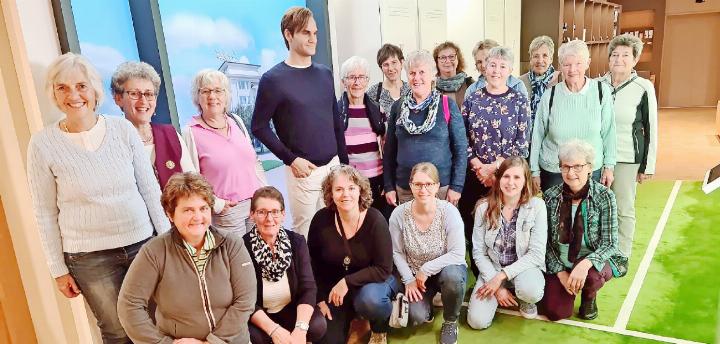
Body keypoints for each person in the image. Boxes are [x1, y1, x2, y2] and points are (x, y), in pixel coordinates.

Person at [26, 53, 169, 344]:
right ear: (53, 94)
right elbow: (44, 212)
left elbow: (150, 189)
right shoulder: (42, 144)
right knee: (118, 333)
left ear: (94, 90)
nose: (74, 95)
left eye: (81, 86)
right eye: (62, 88)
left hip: (143, 244)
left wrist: (169, 243)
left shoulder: (122, 130)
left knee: (158, 325)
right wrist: (57, 269)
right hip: (90, 259)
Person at [118, 172, 256, 343]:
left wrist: (212, 342)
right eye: (188, 210)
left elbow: (245, 301)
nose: (198, 217)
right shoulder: (154, 252)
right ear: (170, 214)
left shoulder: (232, 244)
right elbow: (129, 306)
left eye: (203, 208)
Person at [252, 6, 348, 238]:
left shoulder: (324, 74)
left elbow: (335, 122)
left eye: (315, 33)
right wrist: (291, 159)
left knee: (337, 230)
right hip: (304, 173)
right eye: (306, 33)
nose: (313, 39)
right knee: (305, 235)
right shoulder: (273, 80)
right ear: (288, 34)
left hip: (334, 167)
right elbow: (259, 126)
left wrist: (344, 166)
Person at [459, 46, 531, 277]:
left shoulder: (519, 99)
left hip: (507, 175)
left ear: (510, 70)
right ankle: (478, 267)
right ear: (483, 67)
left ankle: (505, 268)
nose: (496, 70)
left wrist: (495, 168)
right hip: (475, 173)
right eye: (492, 65)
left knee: (502, 221)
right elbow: (462, 135)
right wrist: (478, 165)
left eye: (502, 66)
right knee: (474, 221)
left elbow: (522, 143)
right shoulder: (472, 98)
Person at [307, 165, 394, 344]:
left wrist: (347, 281)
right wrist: (320, 298)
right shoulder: (320, 220)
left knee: (370, 301)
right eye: (338, 189)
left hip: (371, 285)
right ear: (330, 193)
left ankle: (379, 328)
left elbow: (384, 269)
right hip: (335, 293)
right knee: (327, 339)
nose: (345, 194)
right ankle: (353, 317)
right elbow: (312, 265)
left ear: (360, 190)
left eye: (351, 188)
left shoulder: (375, 220)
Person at [542, 140, 627, 321]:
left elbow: (610, 243)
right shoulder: (550, 197)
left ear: (590, 167)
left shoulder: (604, 196)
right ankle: (568, 286)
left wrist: (585, 264)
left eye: (577, 166)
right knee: (555, 313)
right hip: (561, 261)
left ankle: (589, 296)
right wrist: (560, 272)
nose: (571, 173)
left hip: (591, 262)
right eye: (565, 167)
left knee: (592, 277)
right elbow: (545, 242)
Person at [389, 162, 466, 344]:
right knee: (415, 317)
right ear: (411, 186)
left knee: (453, 278)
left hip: (445, 270)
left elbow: (457, 254)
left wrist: (426, 268)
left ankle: (450, 321)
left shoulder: (449, 212)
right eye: (418, 184)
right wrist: (408, 279)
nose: (423, 189)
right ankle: (427, 307)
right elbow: (395, 251)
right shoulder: (398, 214)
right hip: (416, 277)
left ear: (437, 186)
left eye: (429, 184)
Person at [183, 69, 267, 234]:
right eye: (205, 91)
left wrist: (265, 191)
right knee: (236, 259)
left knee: (258, 256)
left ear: (226, 95)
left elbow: (254, 161)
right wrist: (216, 204)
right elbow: (191, 180)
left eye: (218, 90)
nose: (212, 96)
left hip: (256, 204)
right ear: (197, 97)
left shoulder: (236, 121)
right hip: (227, 213)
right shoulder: (190, 132)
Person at [467, 157, 546, 329]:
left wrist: (501, 277)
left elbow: (536, 254)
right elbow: (478, 253)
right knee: (477, 322)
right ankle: (503, 292)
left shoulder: (537, 206)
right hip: (493, 269)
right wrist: (497, 287)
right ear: (498, 178)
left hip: (524, 268)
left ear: (525, 181)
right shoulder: (483, 208)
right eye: (506, 176)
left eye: (517, 177)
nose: (511, 182)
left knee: (531, 290)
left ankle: (525, 299)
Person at [530, 39, 616, 193]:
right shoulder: (550, 95)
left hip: (590, 170)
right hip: (554, 171)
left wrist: (609, 166)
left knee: (587, 216)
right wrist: (534, 171)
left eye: (578, 64)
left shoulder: (601, 92)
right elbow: (537, 135)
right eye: (566, 64)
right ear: (560, 66)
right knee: (555, 216)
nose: (572, 69)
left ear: (587, 63)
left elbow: (609, 132)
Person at [383, 49, 468, 206]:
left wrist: (457, 186)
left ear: (432, 75)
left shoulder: (447, 105)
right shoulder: (398, 107)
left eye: (422, 72)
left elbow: (461, 149)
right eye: (412, 73)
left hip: (440, 189)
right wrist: (388, 186)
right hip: (406, 189)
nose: (417, 78)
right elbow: (389, 151)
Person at [599, 33, 658, 258]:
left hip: (627, 157)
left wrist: (647, 166)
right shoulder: (597, 85)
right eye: (615, 54)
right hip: (599, 157)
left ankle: (622, 253)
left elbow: (652, 127)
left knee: (623, 208)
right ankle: (601, 249)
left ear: (635, 60)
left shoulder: (643, 87)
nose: (619, 59)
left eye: (625, 55)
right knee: (599, 207)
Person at [244, 186, 326, 343]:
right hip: (261, 315)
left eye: (275, 212)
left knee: (317, 325)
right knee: (252, 337)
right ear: (252, 215)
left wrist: (300, 330)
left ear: (283, 215)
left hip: (290, 309)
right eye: (262, 212)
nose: (269, 219)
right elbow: (245, 301)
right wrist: (274, 330)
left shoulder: (297, 242)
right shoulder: (242, 247)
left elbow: (308, 287)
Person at [111, 61, 195, 189]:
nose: (143, 101)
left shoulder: (170, 135)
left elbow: (193, 182)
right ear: (118, 99)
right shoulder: (112, 143)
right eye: (134, 94)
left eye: (149, 94)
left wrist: (220, 204)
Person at [338, 56, 391, 219]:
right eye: (351, 77)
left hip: (376, 181)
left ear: (367, 81)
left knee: (377, 224)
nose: (356, 82)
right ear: (343, 81)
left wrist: (387, 182)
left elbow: (386, 147)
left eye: (361, 77)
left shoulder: (377, 110)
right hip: (350, 182)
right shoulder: (336, 111)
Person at [519, 35, 562, 120]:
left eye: (545, 55)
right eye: (536, 56)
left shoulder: (561, 80)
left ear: (551, 59)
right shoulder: (520, 82)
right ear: (531, 59)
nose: (540, 60)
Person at [367, 43, 411, 115]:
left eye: (394, 62)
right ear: (381, 68)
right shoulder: (373, 92)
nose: (390, 68)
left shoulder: (411, 90)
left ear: (402, 63)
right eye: (385, 65)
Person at [433, 41, 474, 107]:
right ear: (436, 62)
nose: (448, 61)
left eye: (451, 56)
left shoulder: (470, 84)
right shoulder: (431, 87)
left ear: (458, 59)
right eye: (443, 57)